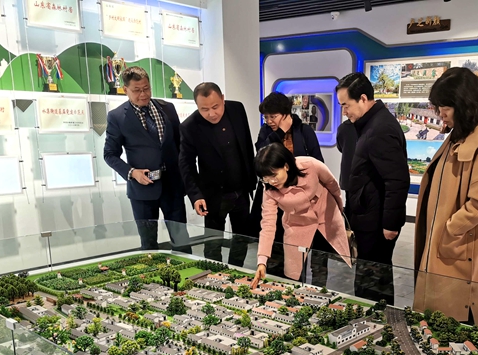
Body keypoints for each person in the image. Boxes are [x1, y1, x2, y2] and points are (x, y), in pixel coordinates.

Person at [413, 67, 478, 326]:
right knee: (440, 324)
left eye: (445, 107)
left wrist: (449, 230)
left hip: (461, 250)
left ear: (463, 103)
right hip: (449, 243)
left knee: (456, 325)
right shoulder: (462, 133)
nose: (441, 114)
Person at [335, 72, 410, 305]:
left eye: (346, 105)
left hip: (376, 222)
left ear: (363, 98)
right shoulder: (370, 124)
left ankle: (377, 318)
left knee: (375, 279)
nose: (344, 112)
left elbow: (397, 180)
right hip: (368, 214)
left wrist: (390, 224)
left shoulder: (380, 129)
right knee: (369, 276)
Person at [104, 66, 190, 253]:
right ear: (125, 89)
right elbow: (109, 154)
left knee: (182, 240)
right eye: (136, 90)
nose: (143, 94)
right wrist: (132, 172)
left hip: (172, 186)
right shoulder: (117, 117)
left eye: (146, 88)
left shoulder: (167, 108)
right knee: (149, 244)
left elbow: (179, 144)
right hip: (142, 190)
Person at [251, 143, 351, 289]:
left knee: (320, 266)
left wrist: (339, 209)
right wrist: (262, 261)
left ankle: (318, 295)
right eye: (265, 178)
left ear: (286, 166)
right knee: (295, 272)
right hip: (297, 225)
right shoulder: (269, 189)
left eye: (274, 175)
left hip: (325, 217)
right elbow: (268, 224)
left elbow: (332, 184)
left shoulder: (310, 165)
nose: (271, 181)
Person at [179, 82, 256, 267]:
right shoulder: (190, 126)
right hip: (213, 195)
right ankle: (214, 276)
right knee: (213, 243)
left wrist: (252, 178)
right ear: (197, 106)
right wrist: (196, 195)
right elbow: (186, 164)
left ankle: (235, 271)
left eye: (215, 107)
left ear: (223, 99)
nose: (211, 113)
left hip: (241, 191)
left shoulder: (237, 109)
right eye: (204, 109)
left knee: (241, 239)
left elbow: (246, 143)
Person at [251, 91, 324, 278]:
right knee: (275, 246)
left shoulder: (304, 131)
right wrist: (279, 133)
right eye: (266, 117)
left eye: (273, 116)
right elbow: (261, 158)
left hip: (300, 201)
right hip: (275, 196)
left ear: (286, 114)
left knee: (302, 252)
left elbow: (318, 164)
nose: (269, 121)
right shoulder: (266, 132)